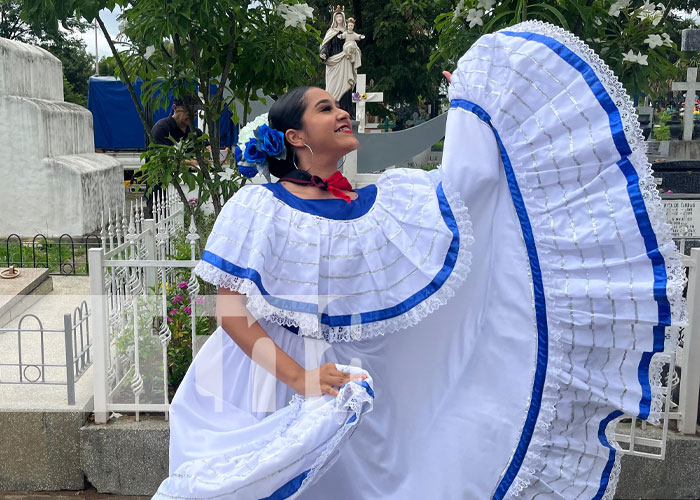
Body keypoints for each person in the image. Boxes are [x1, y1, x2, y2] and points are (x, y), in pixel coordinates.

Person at [153, 22, 683, 499]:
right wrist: (301, 379)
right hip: (260, 384)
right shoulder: (259, 206)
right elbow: (228, 310)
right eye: (324, 108)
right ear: (293, 138)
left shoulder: (385, 205)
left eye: (338, 105)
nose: (341, 112)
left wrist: (476, 108)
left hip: (348, 385)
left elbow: (467, 191)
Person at [146, 97, 204, 217]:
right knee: (162, 228)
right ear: (175, 108)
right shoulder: (161, 129)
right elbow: (165, 161)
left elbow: (207, 149)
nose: (192, 115)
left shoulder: (195, 132)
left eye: (194, 112)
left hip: (186, 191)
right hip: (161, 193)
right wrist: (193, 162)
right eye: (187, 111)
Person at [320, 8, 355, 117]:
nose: (339, 19)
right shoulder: (331, 32)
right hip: (333, 62)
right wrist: (324, 53)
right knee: (332, 87)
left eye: (341, 17)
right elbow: (326, 45)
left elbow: (353, 44)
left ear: (343, 18)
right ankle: (332, 109)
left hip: (345, 61)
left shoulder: (348, 32)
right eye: (337, 17)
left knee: (346, 85)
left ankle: (346, 110)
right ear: (335, 19)